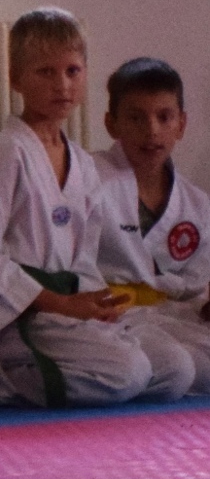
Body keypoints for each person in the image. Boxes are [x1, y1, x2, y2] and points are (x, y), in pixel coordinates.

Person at [0, 9, 193, 407]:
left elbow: (84, 260)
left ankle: (82, 370)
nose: (62, 85)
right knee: (127, 373)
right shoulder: (6, 154)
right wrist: (57, 303)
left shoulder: (81, 163)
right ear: (16, 78)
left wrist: (95, 304)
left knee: (175, 369)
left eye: (72, 71)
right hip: (22, 316)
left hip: (68, 307)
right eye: (45, 72)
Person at [95, 57, 210, 391]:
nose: (152, 131)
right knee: (177, 369)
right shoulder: (88, 181)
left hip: (168, 317)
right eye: (136, 118)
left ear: (182, 124)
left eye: (164, 117)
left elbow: (195, 287)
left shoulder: (196, 204)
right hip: (105, 315)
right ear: (111, 124)